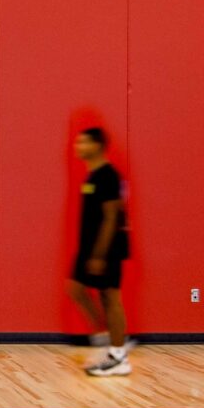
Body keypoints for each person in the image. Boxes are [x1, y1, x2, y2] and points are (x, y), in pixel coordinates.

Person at [65, 126, 133, 377]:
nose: (78, 147)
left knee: (111, 299)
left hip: (106, 248)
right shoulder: (93, 176)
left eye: (83, 142)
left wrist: (99, 254)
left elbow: (111, 216)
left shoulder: (107, 176)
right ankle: (108, 339)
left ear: (97, 145)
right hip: (91, 247)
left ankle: (118, 355)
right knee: (76, 289)